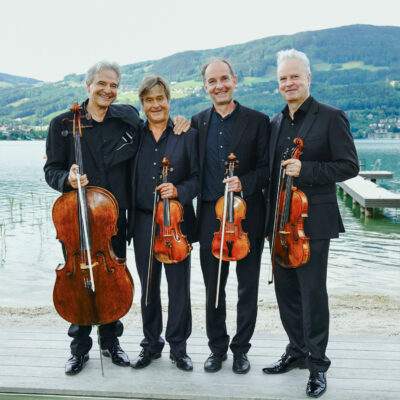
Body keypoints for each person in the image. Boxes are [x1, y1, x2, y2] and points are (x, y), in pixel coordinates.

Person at [44, 61, 188, 376]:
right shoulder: (62, 124)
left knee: (112, 281)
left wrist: (179, 121)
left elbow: (155, 126)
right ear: (88, 85)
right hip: (78, 221)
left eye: (113, 85)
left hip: (114, 219)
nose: (107, 90)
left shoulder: (127, 119)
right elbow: (50, 169)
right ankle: (79, 349)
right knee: (80, 283)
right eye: (101, 84)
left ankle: (111, 343)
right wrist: (66, 179)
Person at [262, 49, 359, 398]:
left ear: (308, 78)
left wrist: (309, 170)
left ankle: (317, 365)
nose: (289, 83)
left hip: (311, 222)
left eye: (294, 76)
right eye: (283, 79)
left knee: (312, 294)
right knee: (285, 291)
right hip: (278, 223)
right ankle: (296, 350)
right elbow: (270, 174)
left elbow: (349, 166)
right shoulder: (274, 123)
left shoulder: (331, 117)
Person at [191, 58, 270, 374]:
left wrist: (245, 182)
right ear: (205, 87)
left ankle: (241, 350)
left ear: (235, 80)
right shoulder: (197, 123)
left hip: (248, 214)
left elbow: (266, 170)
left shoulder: (258, 120)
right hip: (210, 213)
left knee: (247, 286)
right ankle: (217, 348)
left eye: (224, 79)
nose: (219, 85)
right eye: (212, 81)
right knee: (214, 287)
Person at [128, 75, 198, 372]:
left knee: (178, 288)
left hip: (175, 224)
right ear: (142, 104)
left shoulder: (186, 133)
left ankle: (178, 348)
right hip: (143, 221)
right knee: (148, 288)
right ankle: (151, 345)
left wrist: (179, 191)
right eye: (148, 100)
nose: (155, 105)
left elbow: (198, 178)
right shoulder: (134, 134)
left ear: (169, 100)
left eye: (160, 99)